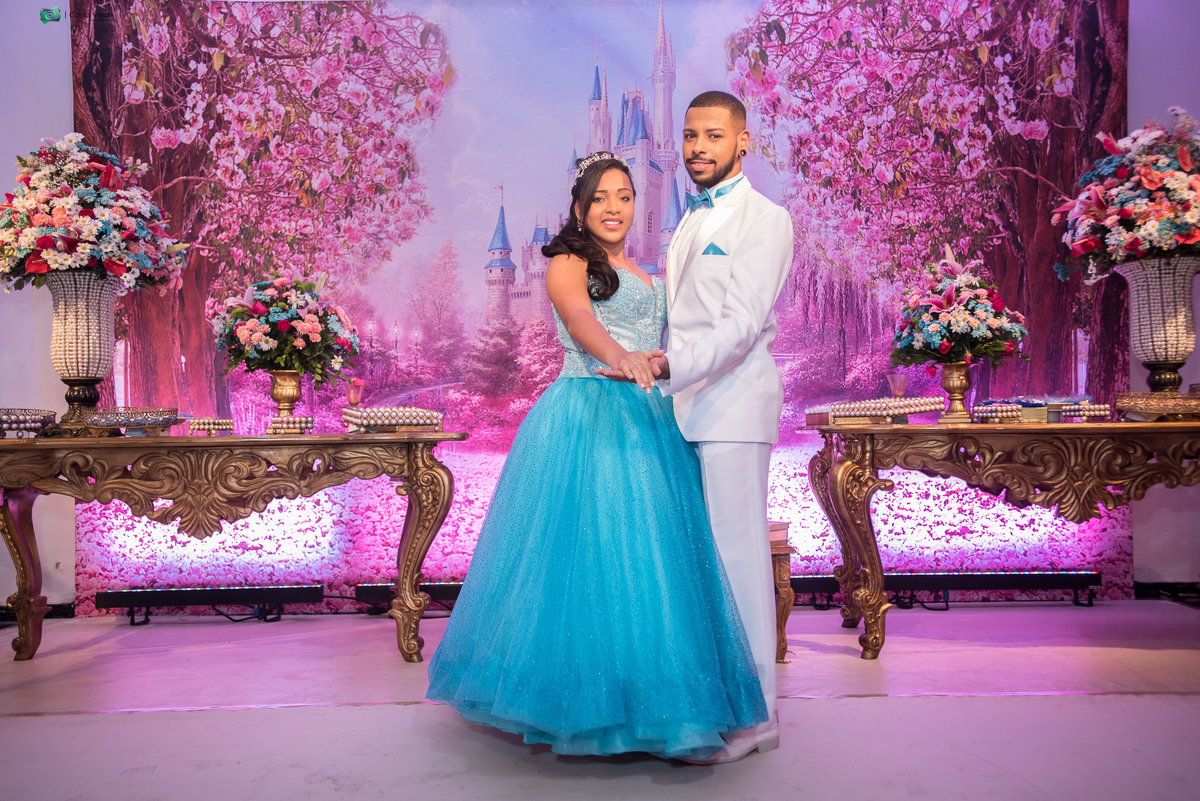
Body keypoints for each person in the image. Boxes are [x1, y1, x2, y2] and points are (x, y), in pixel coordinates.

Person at [425, 152, 768, 760]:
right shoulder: (567, 259)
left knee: (652, 557)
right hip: (587, 411)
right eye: (601, 197)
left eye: (625, 197)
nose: (615, 208)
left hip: (649, 418)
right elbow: (580, 318)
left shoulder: (647, 268)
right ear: (580, 207)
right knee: (587, 556)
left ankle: (657, 700)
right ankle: (583, 704)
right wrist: (621, 356)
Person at [608, 91, 795, 763]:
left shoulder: (765, 219)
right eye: (690, 136)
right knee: (705, 564)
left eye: (713, 135)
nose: (697, 148)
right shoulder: (690, 219)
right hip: (686, 408)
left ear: (743, 142)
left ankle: (758, 715)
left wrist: (667, 364)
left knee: (739, 560)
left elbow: (740, 327)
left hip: (734, 410)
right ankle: (718, 703)